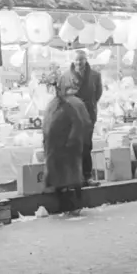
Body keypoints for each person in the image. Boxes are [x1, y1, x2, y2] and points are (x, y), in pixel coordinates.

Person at [42, 79, 92, 214]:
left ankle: (74, 205)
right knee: (62, 179)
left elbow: (79, 123)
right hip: (56, 148)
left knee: (70, 178)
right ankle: (66, 205)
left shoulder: (69, 105)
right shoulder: (53, 105)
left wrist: (73, 141)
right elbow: (47, 125)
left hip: (67, 148)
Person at [62, 52, 103, 184]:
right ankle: (74, 177)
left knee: (86, 146)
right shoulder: (65, 76)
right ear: (73, 61)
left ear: (86, 60)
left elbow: (98, 94)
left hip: (88, 116)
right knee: (72, 147)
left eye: (81, 60)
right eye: (76, 60)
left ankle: (87, 176)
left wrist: (88, 107)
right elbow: (60, 95)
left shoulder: (95, 76)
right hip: (71, 117)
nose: (79, 63)